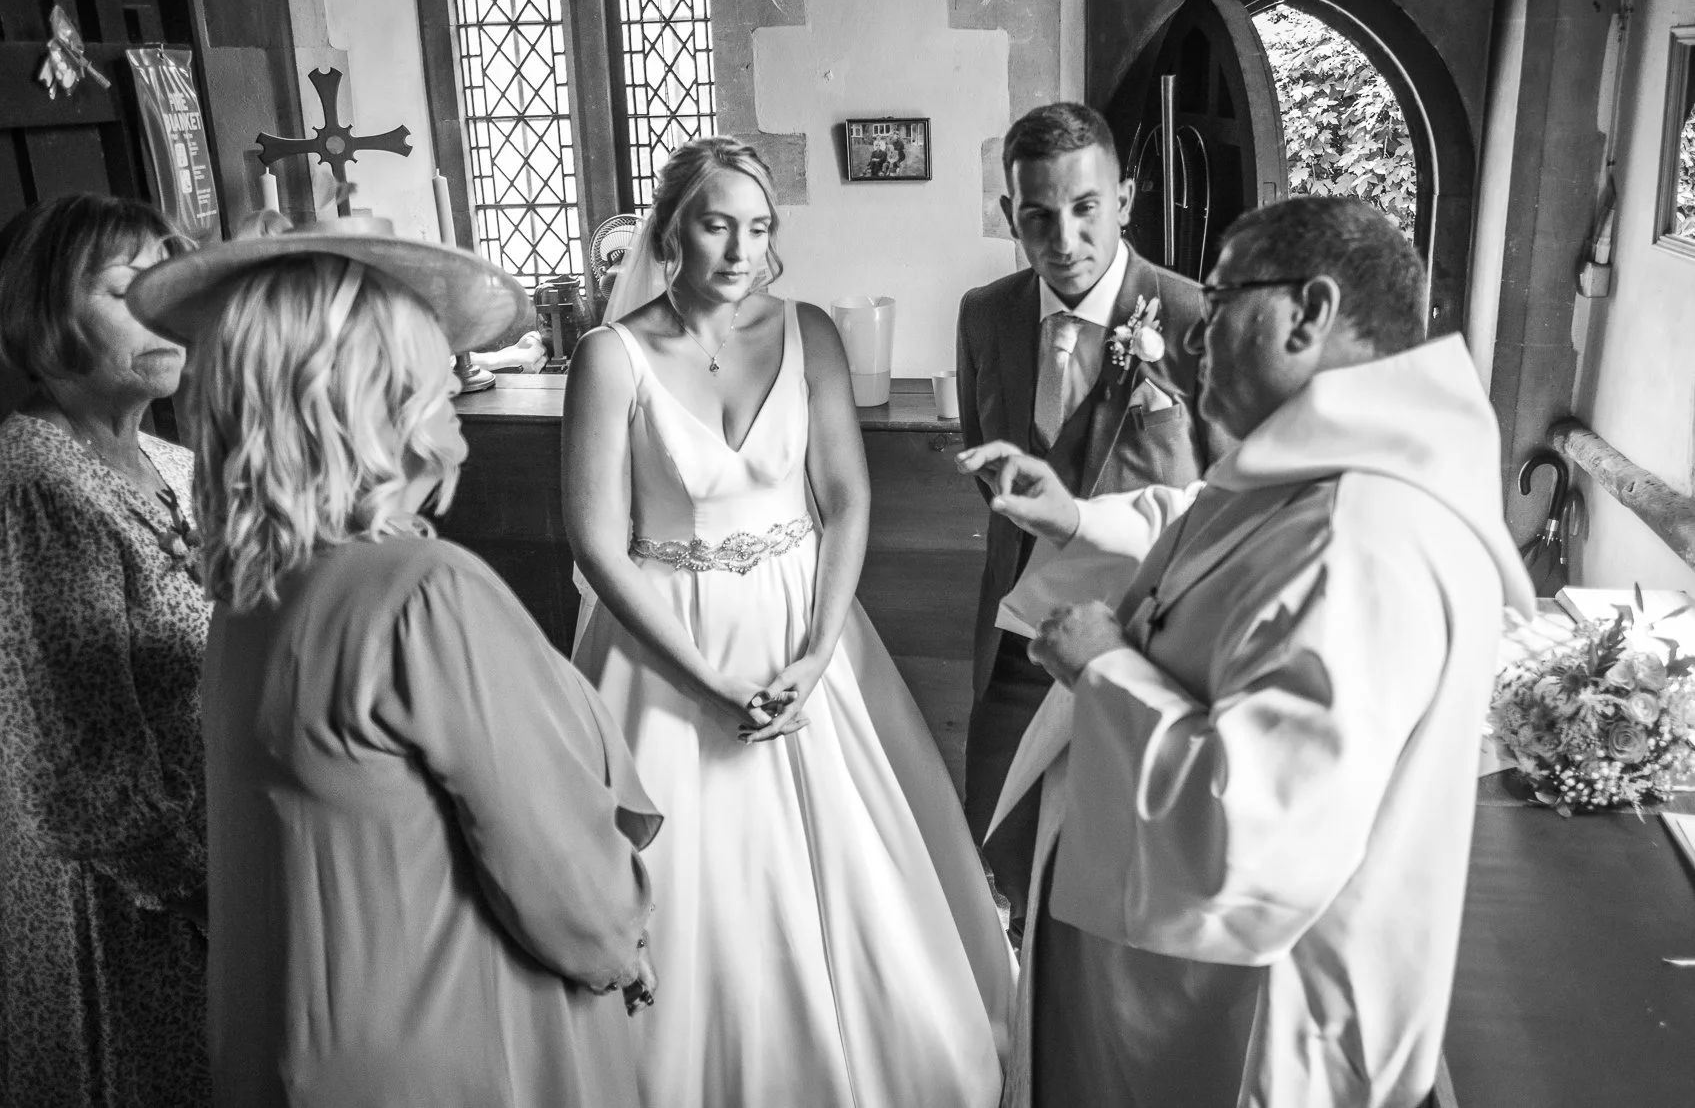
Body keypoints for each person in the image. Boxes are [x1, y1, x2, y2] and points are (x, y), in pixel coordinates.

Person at [960, 196, 1535, 1108]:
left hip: (1240, 1024)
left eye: (1222, 302)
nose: (1195, 335)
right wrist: (1072, 519)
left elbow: (1254, 832)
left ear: (1307, 312)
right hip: (1161, 982)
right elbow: (1199, 522)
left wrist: (1103, 665)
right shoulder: (1320, 470)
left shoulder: (1361, 538)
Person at [125, 218, 662, 1108]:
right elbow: (569, 883)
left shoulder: (252, 597)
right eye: (427, 353)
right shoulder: (423, 592)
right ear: (367, 392)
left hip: (303, 1051)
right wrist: (622, 937)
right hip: (450, 1046)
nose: (454, 372)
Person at [566, 135, 1013, 1108]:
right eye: (716, 224)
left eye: (758, 226)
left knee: (857, 877)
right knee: (689, 891)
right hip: (664, 653)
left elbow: (845, 499)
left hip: (804, 632)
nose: (741, 249)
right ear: (669, 228)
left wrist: (814, 656)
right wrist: (704, 683)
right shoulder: (609, 358)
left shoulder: (808, 332)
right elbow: (598, 545)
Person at [956, 101, 1222, 936]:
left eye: (1085, 208)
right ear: (1010, 213)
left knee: (1112, 878)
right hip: (1016, 643)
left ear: (1125, 200)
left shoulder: (1192, 317)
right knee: (996, 848)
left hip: (1143, 649)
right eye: (1037, 214)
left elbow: (1222, 499)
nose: (1063, 238)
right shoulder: (984, 313)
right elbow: (982, 453)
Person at [0, 194, 209, 1107]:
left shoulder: (174, 464)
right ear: (43, 316)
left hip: (211, 860)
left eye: (172, 280)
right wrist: (203, 891)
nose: (164, 305)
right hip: (125, 902)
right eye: (126, 288)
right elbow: (67, 765)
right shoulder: (34, 487)